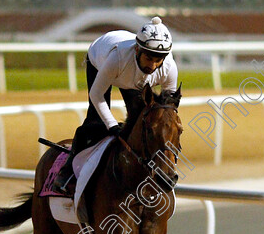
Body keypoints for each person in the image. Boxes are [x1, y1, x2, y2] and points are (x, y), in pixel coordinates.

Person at [51, 16, 178, 194]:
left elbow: (168, 110)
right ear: (137, 50)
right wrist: (111, 126)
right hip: (101, 58)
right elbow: (96, 94)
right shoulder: (117, 58)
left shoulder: (169, 68)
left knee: (141, 124)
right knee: (96, 122)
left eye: (159, 60)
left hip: (131, 77)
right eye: (149, 58)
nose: (153, 65)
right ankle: (67, 172)